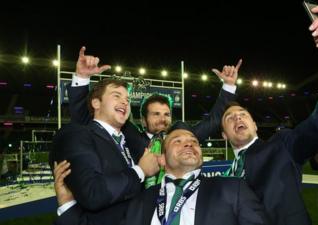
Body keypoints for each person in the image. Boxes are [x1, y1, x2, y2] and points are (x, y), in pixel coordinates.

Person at [220, 5, 318, 225]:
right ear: (224, 135)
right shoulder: (226, 176)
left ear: (256, 125)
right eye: (230, 118)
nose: (238, 118)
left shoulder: (281, 146)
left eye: (243, 114)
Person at [53, 121, 268, 225]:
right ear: (162, 160)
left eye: (194, 142)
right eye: (178, 141)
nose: (188, 144)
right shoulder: (140, 200)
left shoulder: (232, 188)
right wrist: (67, 204)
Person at [68, 46, 239, 159]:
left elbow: (214, 120)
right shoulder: (129, 136)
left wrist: (228, 85)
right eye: (156, 114)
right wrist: (82, 78)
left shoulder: (183, 136)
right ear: (143, 120)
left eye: (166, 114)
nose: (163, 119)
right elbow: (85, 119)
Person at [50, 78, 160, 225]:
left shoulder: (130, 139)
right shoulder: (77, 135)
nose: (125, 102)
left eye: (127, 99)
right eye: (116, 96)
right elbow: (93, 193)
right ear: (96, 103)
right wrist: (140, 171)